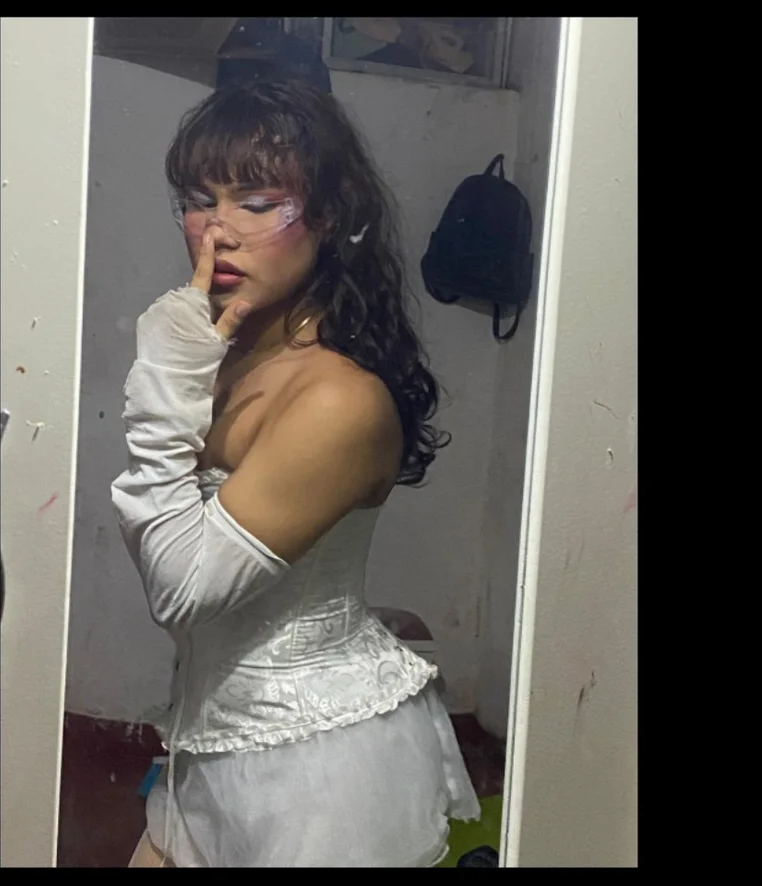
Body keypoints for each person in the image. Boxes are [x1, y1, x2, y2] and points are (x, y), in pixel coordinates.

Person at [111, 78, 480, 868]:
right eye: (199, 200)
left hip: (318, 775)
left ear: (329, 215)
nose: (217, 232)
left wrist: (165, 375)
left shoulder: (339, 399)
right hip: (206, 751)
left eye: (256, 202)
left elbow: (180, 588)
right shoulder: (228, 355)